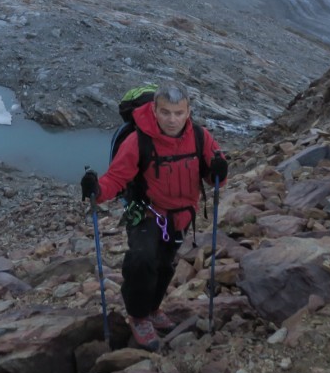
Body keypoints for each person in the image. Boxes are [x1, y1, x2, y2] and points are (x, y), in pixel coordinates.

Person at [81, 81, 228, 351]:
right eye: (166, 113)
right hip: (146, 212)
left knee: (164, 265)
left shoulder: (199, 136)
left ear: (188, 111)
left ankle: (153, 309)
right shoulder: (139, 140)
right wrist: (96, 190)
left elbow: (213, 177)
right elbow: (117, 177)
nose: (172, 120)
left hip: (181, 216)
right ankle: (139, 316)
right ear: (155, 110)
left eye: (178, 113)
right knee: (142, 260)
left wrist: (220, 170)